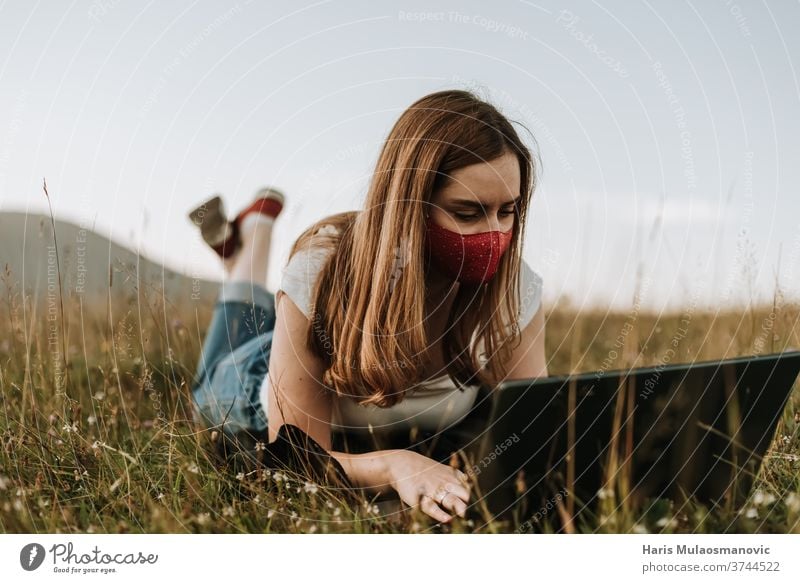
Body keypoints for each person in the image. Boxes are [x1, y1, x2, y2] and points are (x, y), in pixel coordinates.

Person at [188, 89, 548, 523]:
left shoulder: (517, 290)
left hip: (312, 360)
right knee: (239, 330)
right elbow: (299, 462)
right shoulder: (321, 271)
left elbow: (535, 439)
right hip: (252, 384)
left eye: (506, 211)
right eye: (467, 213)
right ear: (408, 207)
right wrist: (393, 465)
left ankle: (237, 249)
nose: (493, 235)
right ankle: (257, 230)